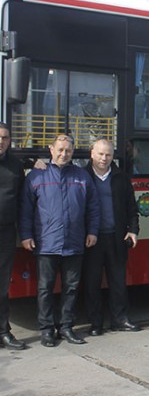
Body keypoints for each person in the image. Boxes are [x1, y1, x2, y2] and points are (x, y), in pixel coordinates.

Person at [20, 134, 100, 347]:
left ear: (73, 152)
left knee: (71, 288)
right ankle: (46, 329)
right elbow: (26, 210)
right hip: (46, 243)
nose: (64, 154)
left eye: (68, 150)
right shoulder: (36, 177)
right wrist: (26, 235)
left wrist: (92, 231)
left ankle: (66, 327)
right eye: (60, 149)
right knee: (45, 288)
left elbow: (93, 207)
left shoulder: (82, 176)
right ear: (51, 149)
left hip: (75, 243)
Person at [83, 138, 140, 336]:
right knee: (92, 283)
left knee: (118, 282)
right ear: (92, 153)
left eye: (108, 154)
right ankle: (95, 323)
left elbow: (132, 208)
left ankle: (120, 319)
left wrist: (133, 230)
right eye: (100, 154)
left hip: (116, 238)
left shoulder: (120, 177)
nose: (104, 158)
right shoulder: (82, 176)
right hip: (91, 240)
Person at [0, 123, 26, 350]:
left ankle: (3, 331)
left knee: (2, 285)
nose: (1, 141)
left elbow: (21, 201)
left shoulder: (16, 166)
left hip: (6, 232)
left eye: (5, 138)